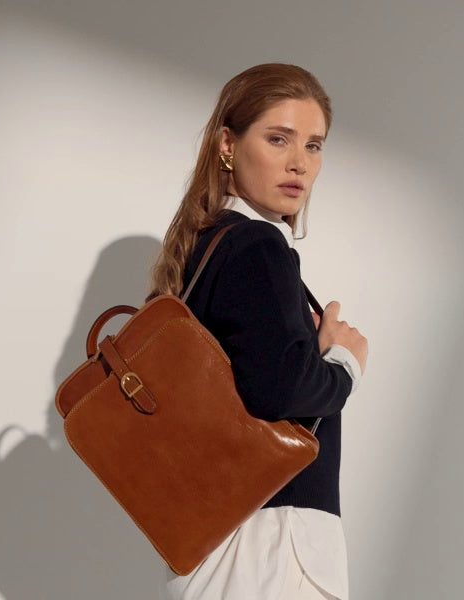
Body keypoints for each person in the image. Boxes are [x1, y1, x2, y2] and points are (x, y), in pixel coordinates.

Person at [148, 63, 368, 600]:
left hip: (223, 540)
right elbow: (280, 391)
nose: (300, 163)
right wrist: (344, 363)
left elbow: (254, 379)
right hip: (272, 548)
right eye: (278, 139)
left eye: (314, 145)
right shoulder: (256, 246)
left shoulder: (207, 244)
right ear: (228, 145)